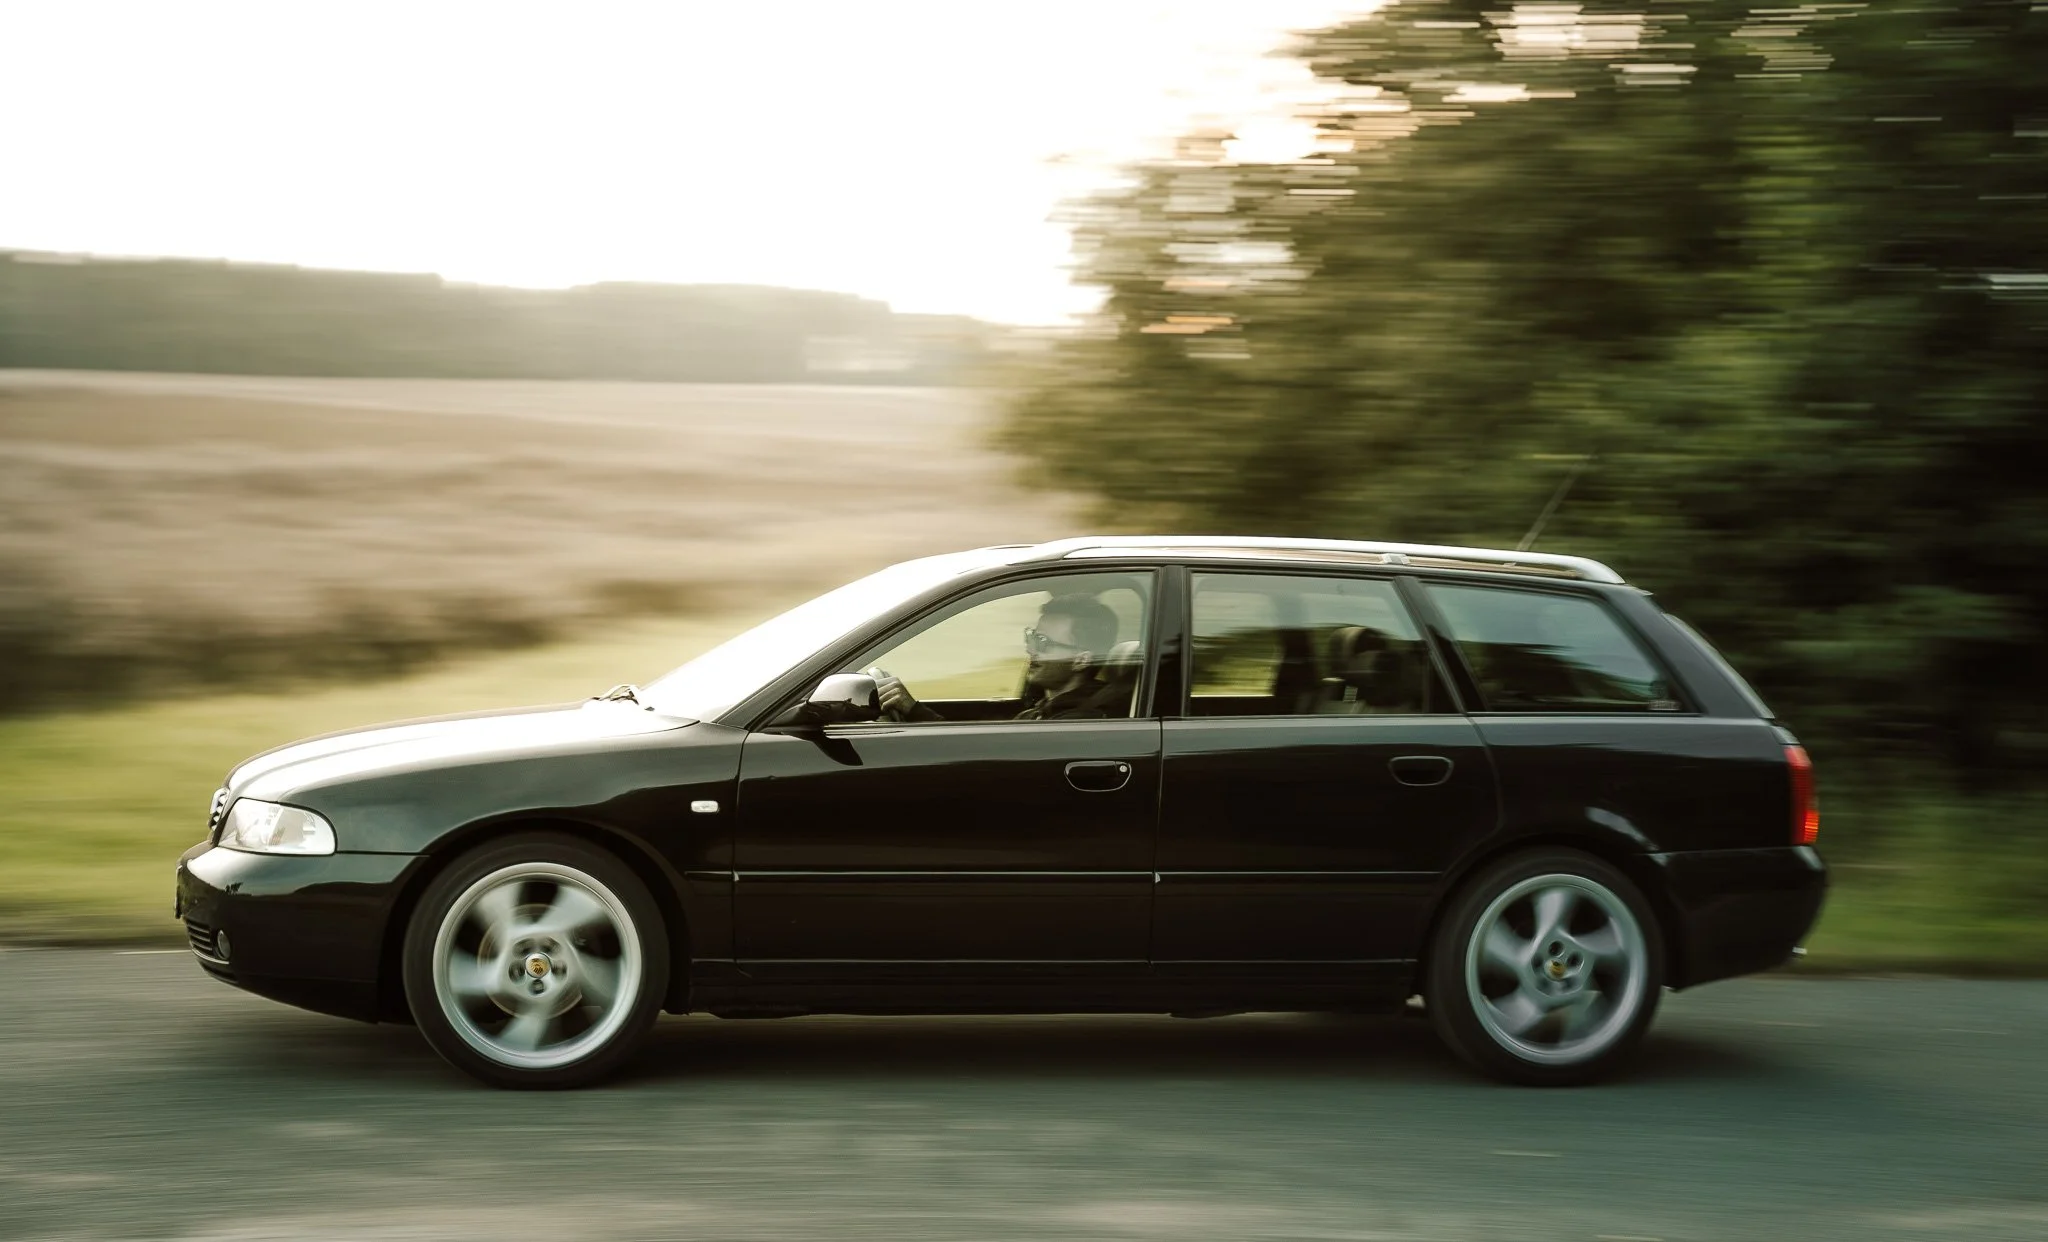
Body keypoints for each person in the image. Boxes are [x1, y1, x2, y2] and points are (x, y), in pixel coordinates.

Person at [875, 593, 1129, 722]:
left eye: (1043, 642)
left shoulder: (1077, 722)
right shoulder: (1045, 710)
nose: (1031, 650)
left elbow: (978, 761)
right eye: (1031, 637)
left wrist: (915, 711)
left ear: (1082, 660)